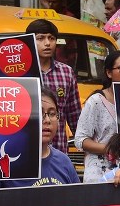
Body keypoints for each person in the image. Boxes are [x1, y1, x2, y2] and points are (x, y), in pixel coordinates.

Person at [73, 50, 120, 183]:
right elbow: (80, 139)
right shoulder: (96, 101)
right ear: (108, 73)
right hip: (100, 172)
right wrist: (110, 149)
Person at [27, 18, 80, 156]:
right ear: (29, 40)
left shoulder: (66, 72)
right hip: (26, 150)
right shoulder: (19, 74)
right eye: (40, 38)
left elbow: (74, 115)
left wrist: (83, 146)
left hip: (58, 150)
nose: (47, 43)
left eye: (51, 38)